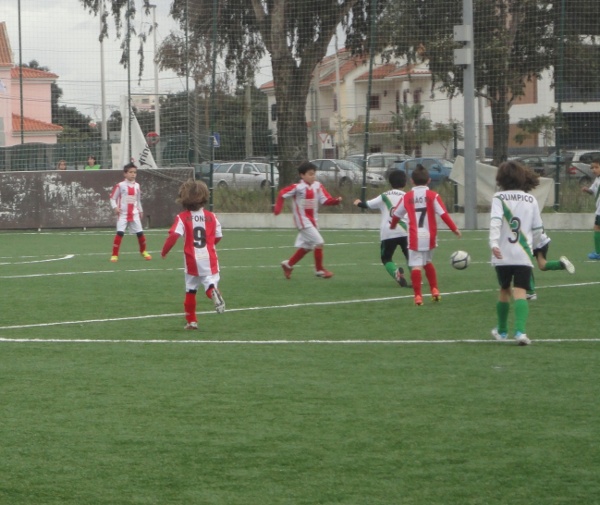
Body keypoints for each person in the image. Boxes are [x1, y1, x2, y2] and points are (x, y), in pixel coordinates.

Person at [489, 160, 545, 346]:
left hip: (502, 255)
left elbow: (495, 222)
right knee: (520, 291)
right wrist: (534, 247)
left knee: (504, 290)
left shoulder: (498, 198)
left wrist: (493, 243)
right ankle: (520, 332)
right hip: (523, 254)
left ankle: (502, 331)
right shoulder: (531, 200)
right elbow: (538, 229)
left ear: (500, 179)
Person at [390, 164, 461, 305]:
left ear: (412, 181)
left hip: (415, 236)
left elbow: (396, 215)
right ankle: (434, 289)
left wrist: (392, 225)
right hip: (430, 236)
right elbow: (443, 214)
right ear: (429, 180)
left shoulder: (407, 197)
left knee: (416, 266)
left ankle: (418, 296)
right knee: (427, 262)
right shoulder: (433, 196)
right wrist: (454, 229)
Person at [161, 179, 225, 330]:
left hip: (191, 260)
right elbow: (218, 236)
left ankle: (192, 321)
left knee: (190, 290)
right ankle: (212, 291)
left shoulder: (182, 217)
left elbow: (173, 236)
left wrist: (164, 251)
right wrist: (210, 245)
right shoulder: (212, 216)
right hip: (209, 258)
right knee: (209, 283)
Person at [274, 160, 342, 279]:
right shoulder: (297, 187)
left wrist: (335, 201)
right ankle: (319, 269)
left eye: (314, 174)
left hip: (313, 221)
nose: (313, 176)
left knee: (307, 247)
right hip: (302, 221)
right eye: (310, 174)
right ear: (302, 175)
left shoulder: (318, 186)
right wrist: (278, 209)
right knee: (319, 242)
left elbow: (325, 200)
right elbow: (282, 193)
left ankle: (288, 264)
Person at [521, 168, 575, 300]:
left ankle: (530, 292)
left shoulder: (522, 201)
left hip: (533, 238)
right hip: (541, 238)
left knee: (524, 262)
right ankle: (561, 264)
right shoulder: (529, 199)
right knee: (542, 265)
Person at [353, 169, 409, 287]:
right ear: (404, 183)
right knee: (410, 256)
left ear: (390, 183)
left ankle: (396, 273)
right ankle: (417, 279)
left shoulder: (384, 196)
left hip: (388, 232)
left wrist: (358, 203)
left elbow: (368, 204)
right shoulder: (408, 196)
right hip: (405, 232)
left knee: (386, 258)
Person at [109, 162, 152, 262]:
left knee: (140, 233)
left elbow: (138, 200)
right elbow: (112, 198)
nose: (133, 174)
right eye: (130, 172)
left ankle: (143, 251)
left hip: (134, 213)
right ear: (125, 174)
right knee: (120, 233)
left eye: (135, 172)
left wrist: (140, 210)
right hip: (122, 214)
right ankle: (114, 255)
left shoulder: (137, 186)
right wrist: (115, 207)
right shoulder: (120, 186)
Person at [581, 157, 600, 260]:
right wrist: (587, 190)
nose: (594, 170)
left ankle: (598, 253)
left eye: (596, 167)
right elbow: (593, 191)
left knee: (597, 228)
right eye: (592, 168)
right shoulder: (597, 179)